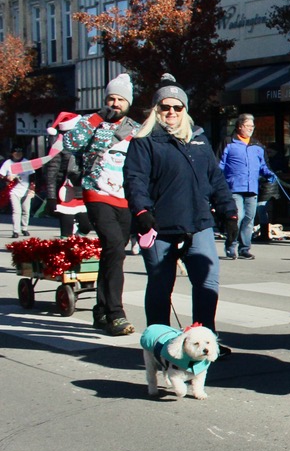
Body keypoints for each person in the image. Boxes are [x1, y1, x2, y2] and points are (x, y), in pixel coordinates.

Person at [124, 80, 238, 337]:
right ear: (156, 109)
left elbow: (216, 179)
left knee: (207, 282)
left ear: (185, 110)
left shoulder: (198, 139)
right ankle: (159, 341)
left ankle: (205, 340)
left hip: (198, 223)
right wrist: (142, 212)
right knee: (161, 285)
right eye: (165, 107)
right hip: (159, 225)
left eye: (178, 107)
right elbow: (135, 180)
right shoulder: (145, 141)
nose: (172, 112)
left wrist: (228, 212)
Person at [59, 73, 141, 335]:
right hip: (96, 193)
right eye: (111, 98)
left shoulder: (136, 129)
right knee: (115, 246)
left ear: (128, 102)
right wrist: (94, 119)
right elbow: (70, 144)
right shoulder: (90, 123)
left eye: (120, 99)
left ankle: (101, 310)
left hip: (125, 198)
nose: (115, 103)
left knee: (113, 253)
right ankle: (116, 312)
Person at [219, 113, 272, 261]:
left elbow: (263, 166)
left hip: (252, 187)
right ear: (240, 126)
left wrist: (269, 174)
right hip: (234, 187)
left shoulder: (257, 146)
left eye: (252, 126)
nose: (251, 129)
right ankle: (231, 245)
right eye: (248, 126)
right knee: (238, 216)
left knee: (249, 218)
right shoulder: (228, 142)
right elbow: (219, 165)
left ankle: (244, 249)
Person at [1, 144, 34, 238]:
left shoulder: (26, 162)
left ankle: (24, 228)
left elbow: (33, 176)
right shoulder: (8, 163)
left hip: (26, 189)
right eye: (16, 152)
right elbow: (2, 175)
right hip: (13, 190)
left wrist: (32, 189)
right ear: (12, 153)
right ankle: (16, 230)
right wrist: (8, 178)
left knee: (26, 210)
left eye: (20, 152)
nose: (18, 154)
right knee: (16, 210)